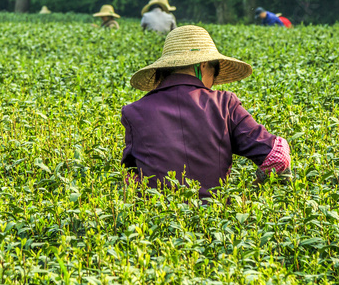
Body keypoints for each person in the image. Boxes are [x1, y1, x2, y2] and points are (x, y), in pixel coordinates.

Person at [121, 25, 292, 200]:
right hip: (214, 221)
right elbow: (278, 157)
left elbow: (131, 178)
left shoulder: (134, 111)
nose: (212, 83)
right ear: (203, 66)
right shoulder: (225, 104)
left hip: (158, 221)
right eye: (214, 72)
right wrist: (246, 197)